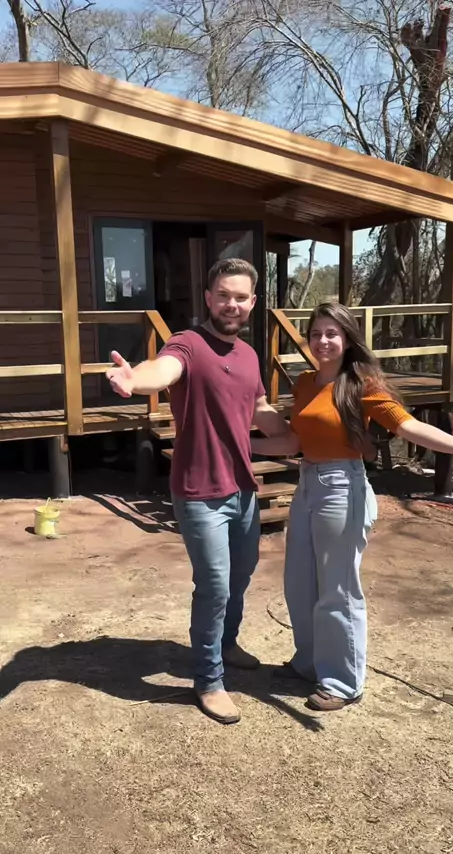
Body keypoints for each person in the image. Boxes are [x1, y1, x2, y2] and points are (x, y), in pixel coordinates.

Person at [251, 302, 453, 712]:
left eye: (331, 333)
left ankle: (342, 681)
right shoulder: (305, 383)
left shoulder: (361, 384)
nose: (322, 341)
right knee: (300, 582)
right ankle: (309, 662)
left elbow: (407, 425)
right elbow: (293, 442)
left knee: (337, 587)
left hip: (342, 487)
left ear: (347, 338)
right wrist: (241, 444)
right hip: (307, 484)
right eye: (316, 333)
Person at [106, 258, 290, 725]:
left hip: (243, 488)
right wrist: (133, 379)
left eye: (240, 297)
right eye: (223, 295)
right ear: (209, 298)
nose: (231, 304)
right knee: (214, 586)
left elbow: (259, 406)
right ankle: (208, 680)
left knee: (241, 575)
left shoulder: (248, 356)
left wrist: (298, 433)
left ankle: (226, 644)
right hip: (199, 491)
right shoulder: (188, 343)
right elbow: (162, 369)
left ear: (253, 302)